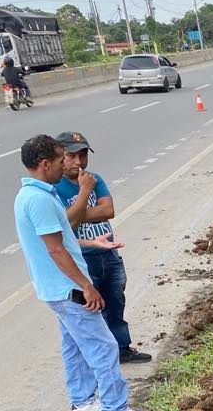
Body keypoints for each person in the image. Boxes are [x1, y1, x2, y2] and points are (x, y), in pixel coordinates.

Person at [13, 134, 152, 411]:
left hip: (56, 288)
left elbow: (59, 240)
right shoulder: (39, 199)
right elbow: (55, 250)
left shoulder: (30, 195)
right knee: (104, 345)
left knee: (74, 346)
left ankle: (83, 402)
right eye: (60, 159)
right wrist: (86, 286)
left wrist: (93, 243)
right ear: (45, 163)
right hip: (68, 288)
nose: (66, 164)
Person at [55, 131, 152, 364]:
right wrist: (85, 194)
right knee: (88, 310)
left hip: (108, 253)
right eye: (71, 156)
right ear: (60, 156)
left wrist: (76, 214)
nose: (78, 162)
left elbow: (108, 211)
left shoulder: (94, 178)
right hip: (82, 259)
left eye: (83, 155)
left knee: (115, 303)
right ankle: (95, 359)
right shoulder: (57, 188)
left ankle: (122, 349)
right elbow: (66, 223)